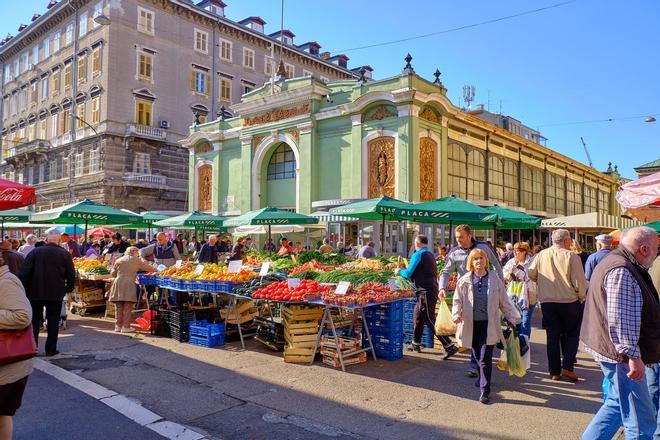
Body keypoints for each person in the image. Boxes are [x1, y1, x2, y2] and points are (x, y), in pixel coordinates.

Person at [580, 226, 659, 439]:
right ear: (643, 249)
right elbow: (620, 319)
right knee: (641, 422)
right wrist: (632, 357)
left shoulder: (617, 261)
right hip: (622, 356)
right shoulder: (622, 269)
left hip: (613, 350)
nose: (656, 254)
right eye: (656, 249)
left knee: (617, 404)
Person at [452, 248, 520, 404]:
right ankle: (483, 377)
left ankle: (485, 390)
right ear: (471, 262)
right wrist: (456, 314)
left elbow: (504, 301)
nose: (479, 261)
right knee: (477, 354)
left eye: (481, 258)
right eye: (475, 259)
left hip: (489, 325)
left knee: (485, 358)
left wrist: (513, 317)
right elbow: (457, 300)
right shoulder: (464, 281)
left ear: (486, 261)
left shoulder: (495, 280)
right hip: (471, 324)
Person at [440, 224, 503, 377]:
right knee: (473, 330)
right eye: (456, 238)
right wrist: (441, 287)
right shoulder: (454, 253)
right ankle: (476, 363)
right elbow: (446, 271)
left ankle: (478, 363)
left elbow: (496, 263)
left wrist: (501, 283)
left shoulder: (484, 248)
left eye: (461, 237)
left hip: (485, 294)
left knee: (484, 328)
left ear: (469, 236)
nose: (458, 240)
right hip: (466, 296)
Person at [528, 228, 588, 381]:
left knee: (552, 337)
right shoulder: (572, 256)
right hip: (569, 301)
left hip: (548, 302)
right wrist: (582, 296)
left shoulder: (542, 254)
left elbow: (531, 273)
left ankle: (554, 371)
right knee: (572, 334)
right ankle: (567, 367)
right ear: (567, 241)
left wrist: (542, 283)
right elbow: (578, 282)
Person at [397, 235, 458, 359]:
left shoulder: (418, 254)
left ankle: (449, 345)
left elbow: (408, 274)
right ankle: (416, 343)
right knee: (418, 316)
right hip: (429, 290)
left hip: (425, 291)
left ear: (417, 243)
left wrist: (399, 271)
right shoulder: (429, 254)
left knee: (430, 320)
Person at [19, 230, 76, 356]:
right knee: (53, 320)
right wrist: (68, 288)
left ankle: (32, 348)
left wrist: (24, 289)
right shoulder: (64, 254)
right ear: (59, 241)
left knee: (34, 321)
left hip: (35, 292)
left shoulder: (35, 252)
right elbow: (71, 274)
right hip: (55, 292)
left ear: (46, 240)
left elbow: (24, 273)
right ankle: (51, 349)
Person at [0, 252, 33, 440]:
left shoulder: (6, 281)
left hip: (8, 365)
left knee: (2, 415)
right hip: (6, 363)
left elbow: (22, 316)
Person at [109, 247, 155, 333]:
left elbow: (113, 273)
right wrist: (158, 270)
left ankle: (118, 326)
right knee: (128, 305)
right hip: (129, 283)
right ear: (134, 252)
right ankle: (126, 327)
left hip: (118, 282)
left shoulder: (119, 260)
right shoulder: (135, 260)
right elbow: (147, 267)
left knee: (118, 306)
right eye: (137, 252)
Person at [503, 242, 537, 338]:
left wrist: (521, 271)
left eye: (518, 251)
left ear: (524, 252)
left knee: (525, 321)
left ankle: (525, 344)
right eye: (514, 251)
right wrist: (511, 272)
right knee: (516, 320)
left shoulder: (532, 262)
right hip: (514, 294)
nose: (515, 253)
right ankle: (517, 343)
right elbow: (505, 277)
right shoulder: (511, 262)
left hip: (530, 294)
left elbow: (533, 276)